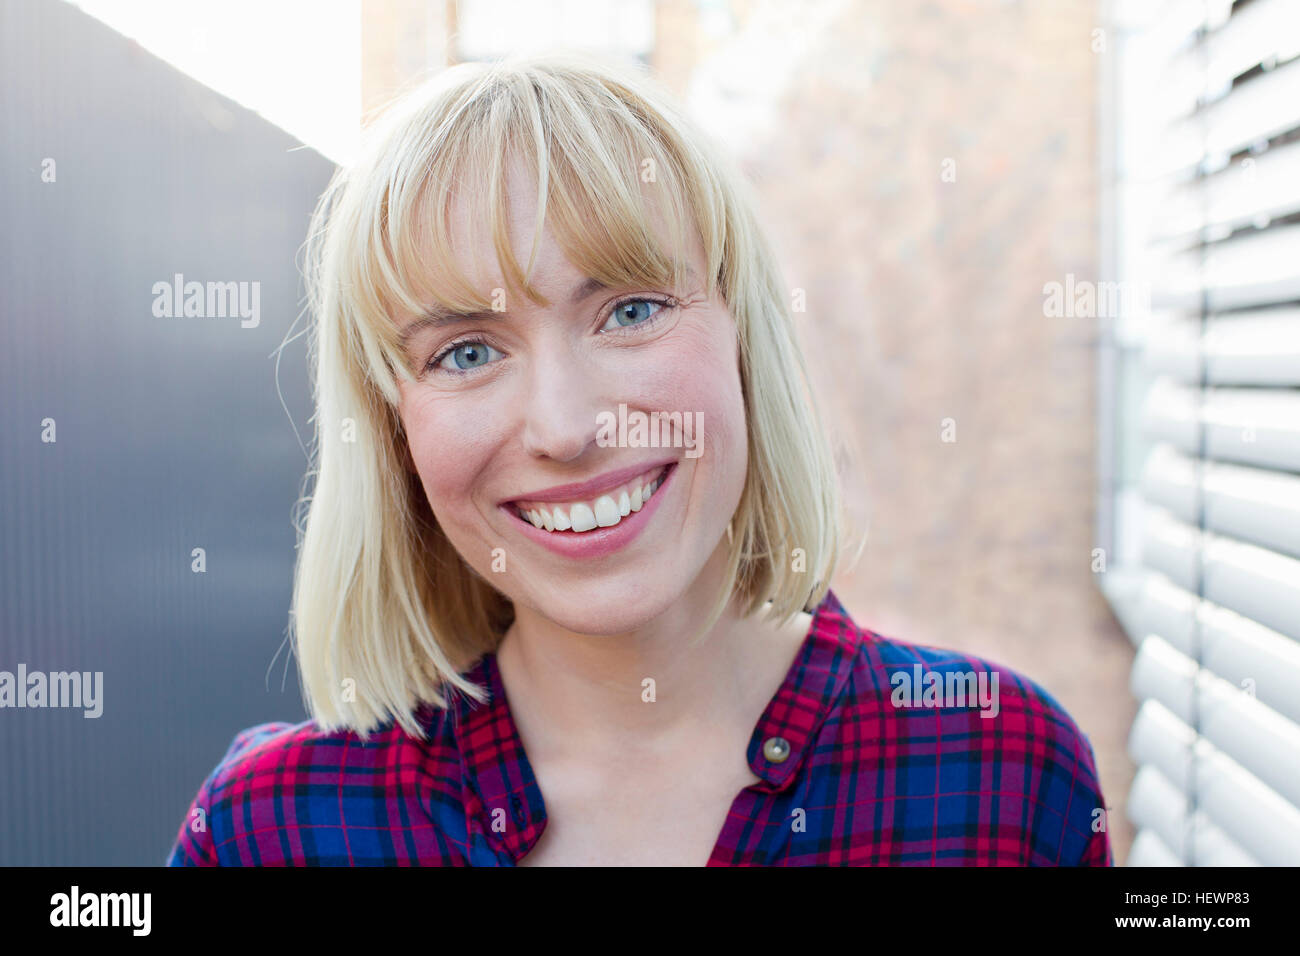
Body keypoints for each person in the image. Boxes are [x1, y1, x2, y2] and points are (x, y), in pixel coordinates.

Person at [166, 51, 1111, 866]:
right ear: (396, 435)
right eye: (466, 351)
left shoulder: (1002, 775)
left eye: (629, 310)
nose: (566, 427)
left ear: (743, 337)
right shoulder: (269, 831)